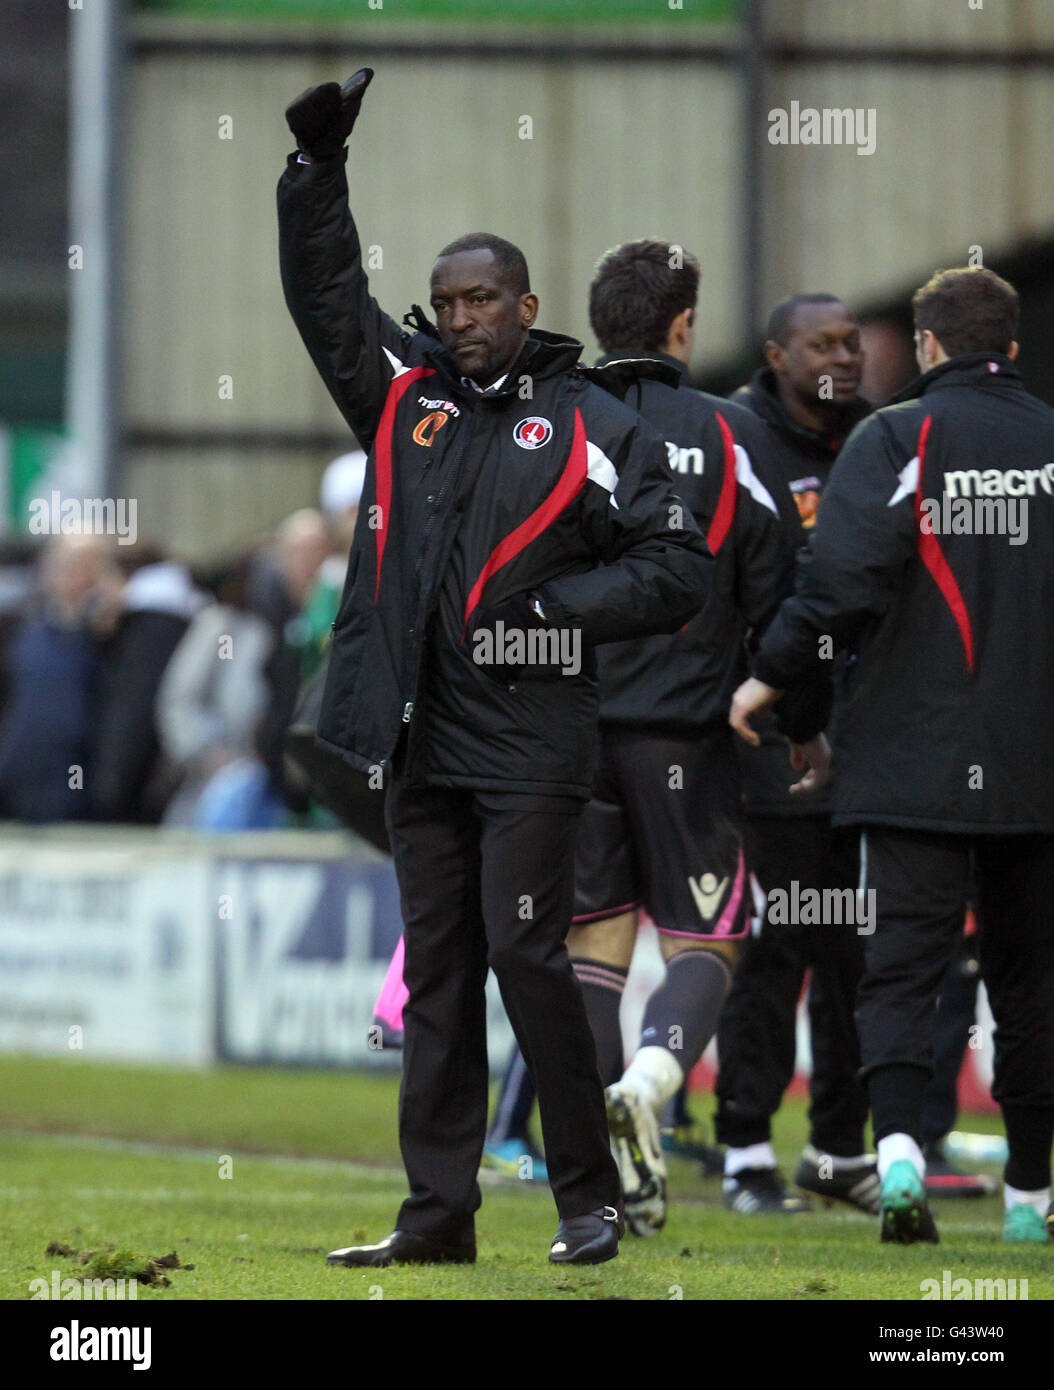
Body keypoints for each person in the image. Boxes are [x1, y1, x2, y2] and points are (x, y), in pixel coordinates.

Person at [277, 70, 711, 1267]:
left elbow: (680, 566)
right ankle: (437, 1219)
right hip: (419, 740)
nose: (458, 317)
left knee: (525, 957)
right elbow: (325, 301)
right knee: (437, 984)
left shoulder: (590, 425)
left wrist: (552, 608)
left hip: (530, 742)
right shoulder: (402, 398)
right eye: (442, 300)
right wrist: (318, 175)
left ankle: (585, 1201)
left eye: (479, 299)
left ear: (523, 305)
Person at [731, 265, 1054, 1244]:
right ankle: (1032, 1199)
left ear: (922, 347)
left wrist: (774, 686)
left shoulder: (893, 438)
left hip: (908, 764)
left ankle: (903, 1150)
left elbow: (835, 590)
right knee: (1029, 979)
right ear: (1010, 345)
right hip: (1037, 770)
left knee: (901, 971)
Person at [565, 239, 818, 1235]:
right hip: (685, 732)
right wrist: (791, 712)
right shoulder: (725, 436)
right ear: (682, 327)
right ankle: (652, 1079)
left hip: (565, 732)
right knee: (708, 938)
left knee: (589, 946)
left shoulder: (548, 424)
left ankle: (600, 1176)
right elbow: (783, 593)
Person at [713, 294, 880, 1216]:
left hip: (869, 749)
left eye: (854, 342)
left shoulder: (883, 442)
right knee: (771, 953)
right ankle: (744, 1149)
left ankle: (836, 1148)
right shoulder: (743, 442)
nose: (845, 357)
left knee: (855, 958)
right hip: (768, 748)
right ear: (777, 354)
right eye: (823, 343)